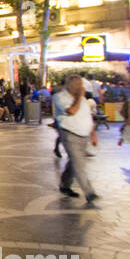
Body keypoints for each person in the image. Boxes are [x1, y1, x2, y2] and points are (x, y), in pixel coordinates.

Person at [53, 75, 97, 205]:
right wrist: (79, 97)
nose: (81, 87)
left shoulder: (82, 99)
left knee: (74, 162)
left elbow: (87, 116)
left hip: (84, 134)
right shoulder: (60, 97)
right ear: (70, 85)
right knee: (79, 163)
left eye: (81, 84)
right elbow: (71, 111)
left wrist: (93, 134)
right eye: (78, 84)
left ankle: (65, 184)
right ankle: (90, 193)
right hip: (70, 134)